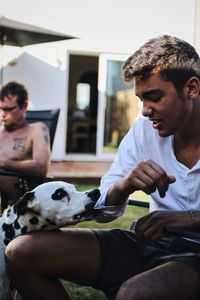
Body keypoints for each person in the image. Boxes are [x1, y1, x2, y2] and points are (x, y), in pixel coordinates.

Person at [5, 35, 200, 300]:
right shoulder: (143, 130)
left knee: (133, 294)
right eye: (141, 99)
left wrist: (189, 219)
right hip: (147, 242)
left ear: (191, 88)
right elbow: (104, 208)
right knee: (21, 251)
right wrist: (125, 185)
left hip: (194, 253)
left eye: (154, 97)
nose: (144, 111)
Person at [0, 81, 51, 210]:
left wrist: (4, 163)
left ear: (24, 106)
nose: (3, 114)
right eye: (0, 108)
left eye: (9, 109)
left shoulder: (37, 130)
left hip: (25, 204)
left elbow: (41, 167)